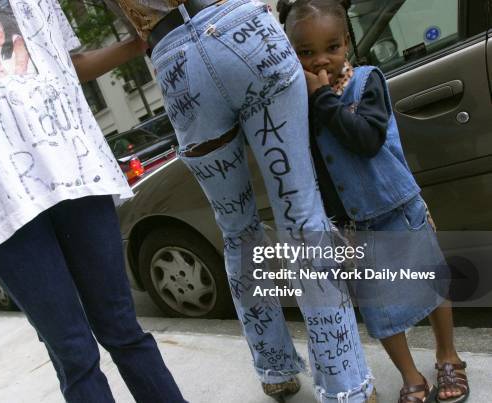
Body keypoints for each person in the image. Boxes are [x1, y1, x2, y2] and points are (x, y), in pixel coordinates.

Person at [0, 1, 185, 402]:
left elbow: (68, 62)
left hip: (74, 170)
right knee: (74, 353)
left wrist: (138, 43)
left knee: (123, 328)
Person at [98, 0, 376, 401]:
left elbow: (134, 25)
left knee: (237, 230)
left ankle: (274, 367)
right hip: (246, 31)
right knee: (302, 217)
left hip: (176, 57)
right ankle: (345, 383)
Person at [279, 0, 469, 402]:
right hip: (354, 227)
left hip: (397, 207)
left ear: (347, 43)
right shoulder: (300, 102)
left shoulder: (367, 81)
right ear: (290, 54)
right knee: (379, 310)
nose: (321, 60)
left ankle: (448, 356)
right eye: (306, 52)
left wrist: (323, 100)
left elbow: (365, 140)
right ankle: (410, 375)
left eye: (332, 46)